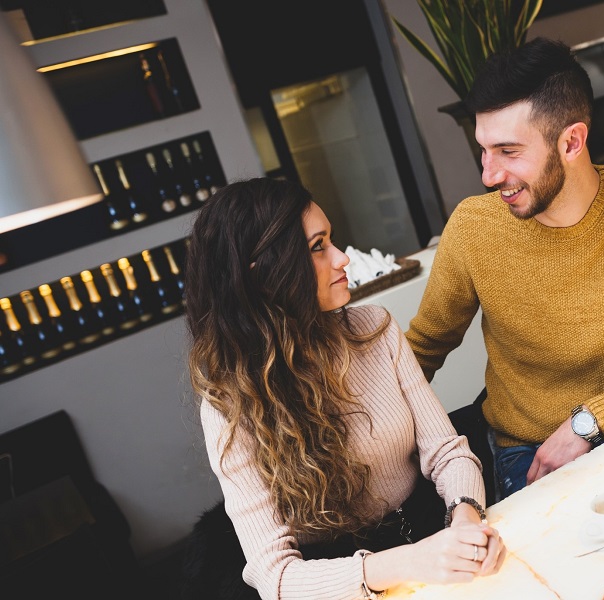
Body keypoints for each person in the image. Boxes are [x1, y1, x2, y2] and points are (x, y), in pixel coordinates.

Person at [406, 37, 604, 502]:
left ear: (571, 141)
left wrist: (589, 421)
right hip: (529, 449)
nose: (488, 175)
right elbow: (421, 350)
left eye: (508, 151)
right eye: (484, 150)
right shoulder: (473, 227)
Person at [183, 176, 505, 600]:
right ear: (263, 275)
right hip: (339, 580)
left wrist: (466, 519)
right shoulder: (228, 403)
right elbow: (275, 576)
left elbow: (447, 452)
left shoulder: (376, 329)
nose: (342, 258)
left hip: (432, 529)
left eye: (330, 240)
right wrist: (413, 560)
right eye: (318, 247)